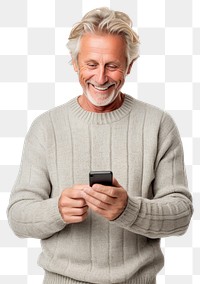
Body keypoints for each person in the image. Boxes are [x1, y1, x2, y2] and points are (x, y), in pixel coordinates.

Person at [7, 7, 193, 284]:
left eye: (113, 65)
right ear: (75, 64)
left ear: (129, 66)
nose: (101, 78)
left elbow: (180, 215)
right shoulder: (46, 127)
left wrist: (128, 210)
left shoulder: (158, 125)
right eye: (91, 64)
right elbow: (18, 217)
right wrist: (56, 210)